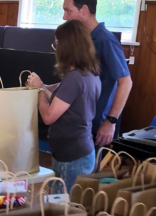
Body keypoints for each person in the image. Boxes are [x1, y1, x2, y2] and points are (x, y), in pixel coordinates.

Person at [28, 20, 101, 193]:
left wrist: (39, 89)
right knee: (60, 205)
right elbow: (60, 93)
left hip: (73, 157)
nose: (56, 49)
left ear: (67, 47)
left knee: (62, 211)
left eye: (58, 43)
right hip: (74, 154)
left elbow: (48, 116)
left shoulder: (75, 79)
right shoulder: (88, 74)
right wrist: (44, 87)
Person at [62, 0, 133, 148]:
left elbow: (126, 82)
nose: (64, 17)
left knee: (88, 170)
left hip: (96, 123)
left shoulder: (105, 40)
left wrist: (111, 121)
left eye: (68, 11)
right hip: (79, 121)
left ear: (84, 10)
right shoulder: (83, 40)